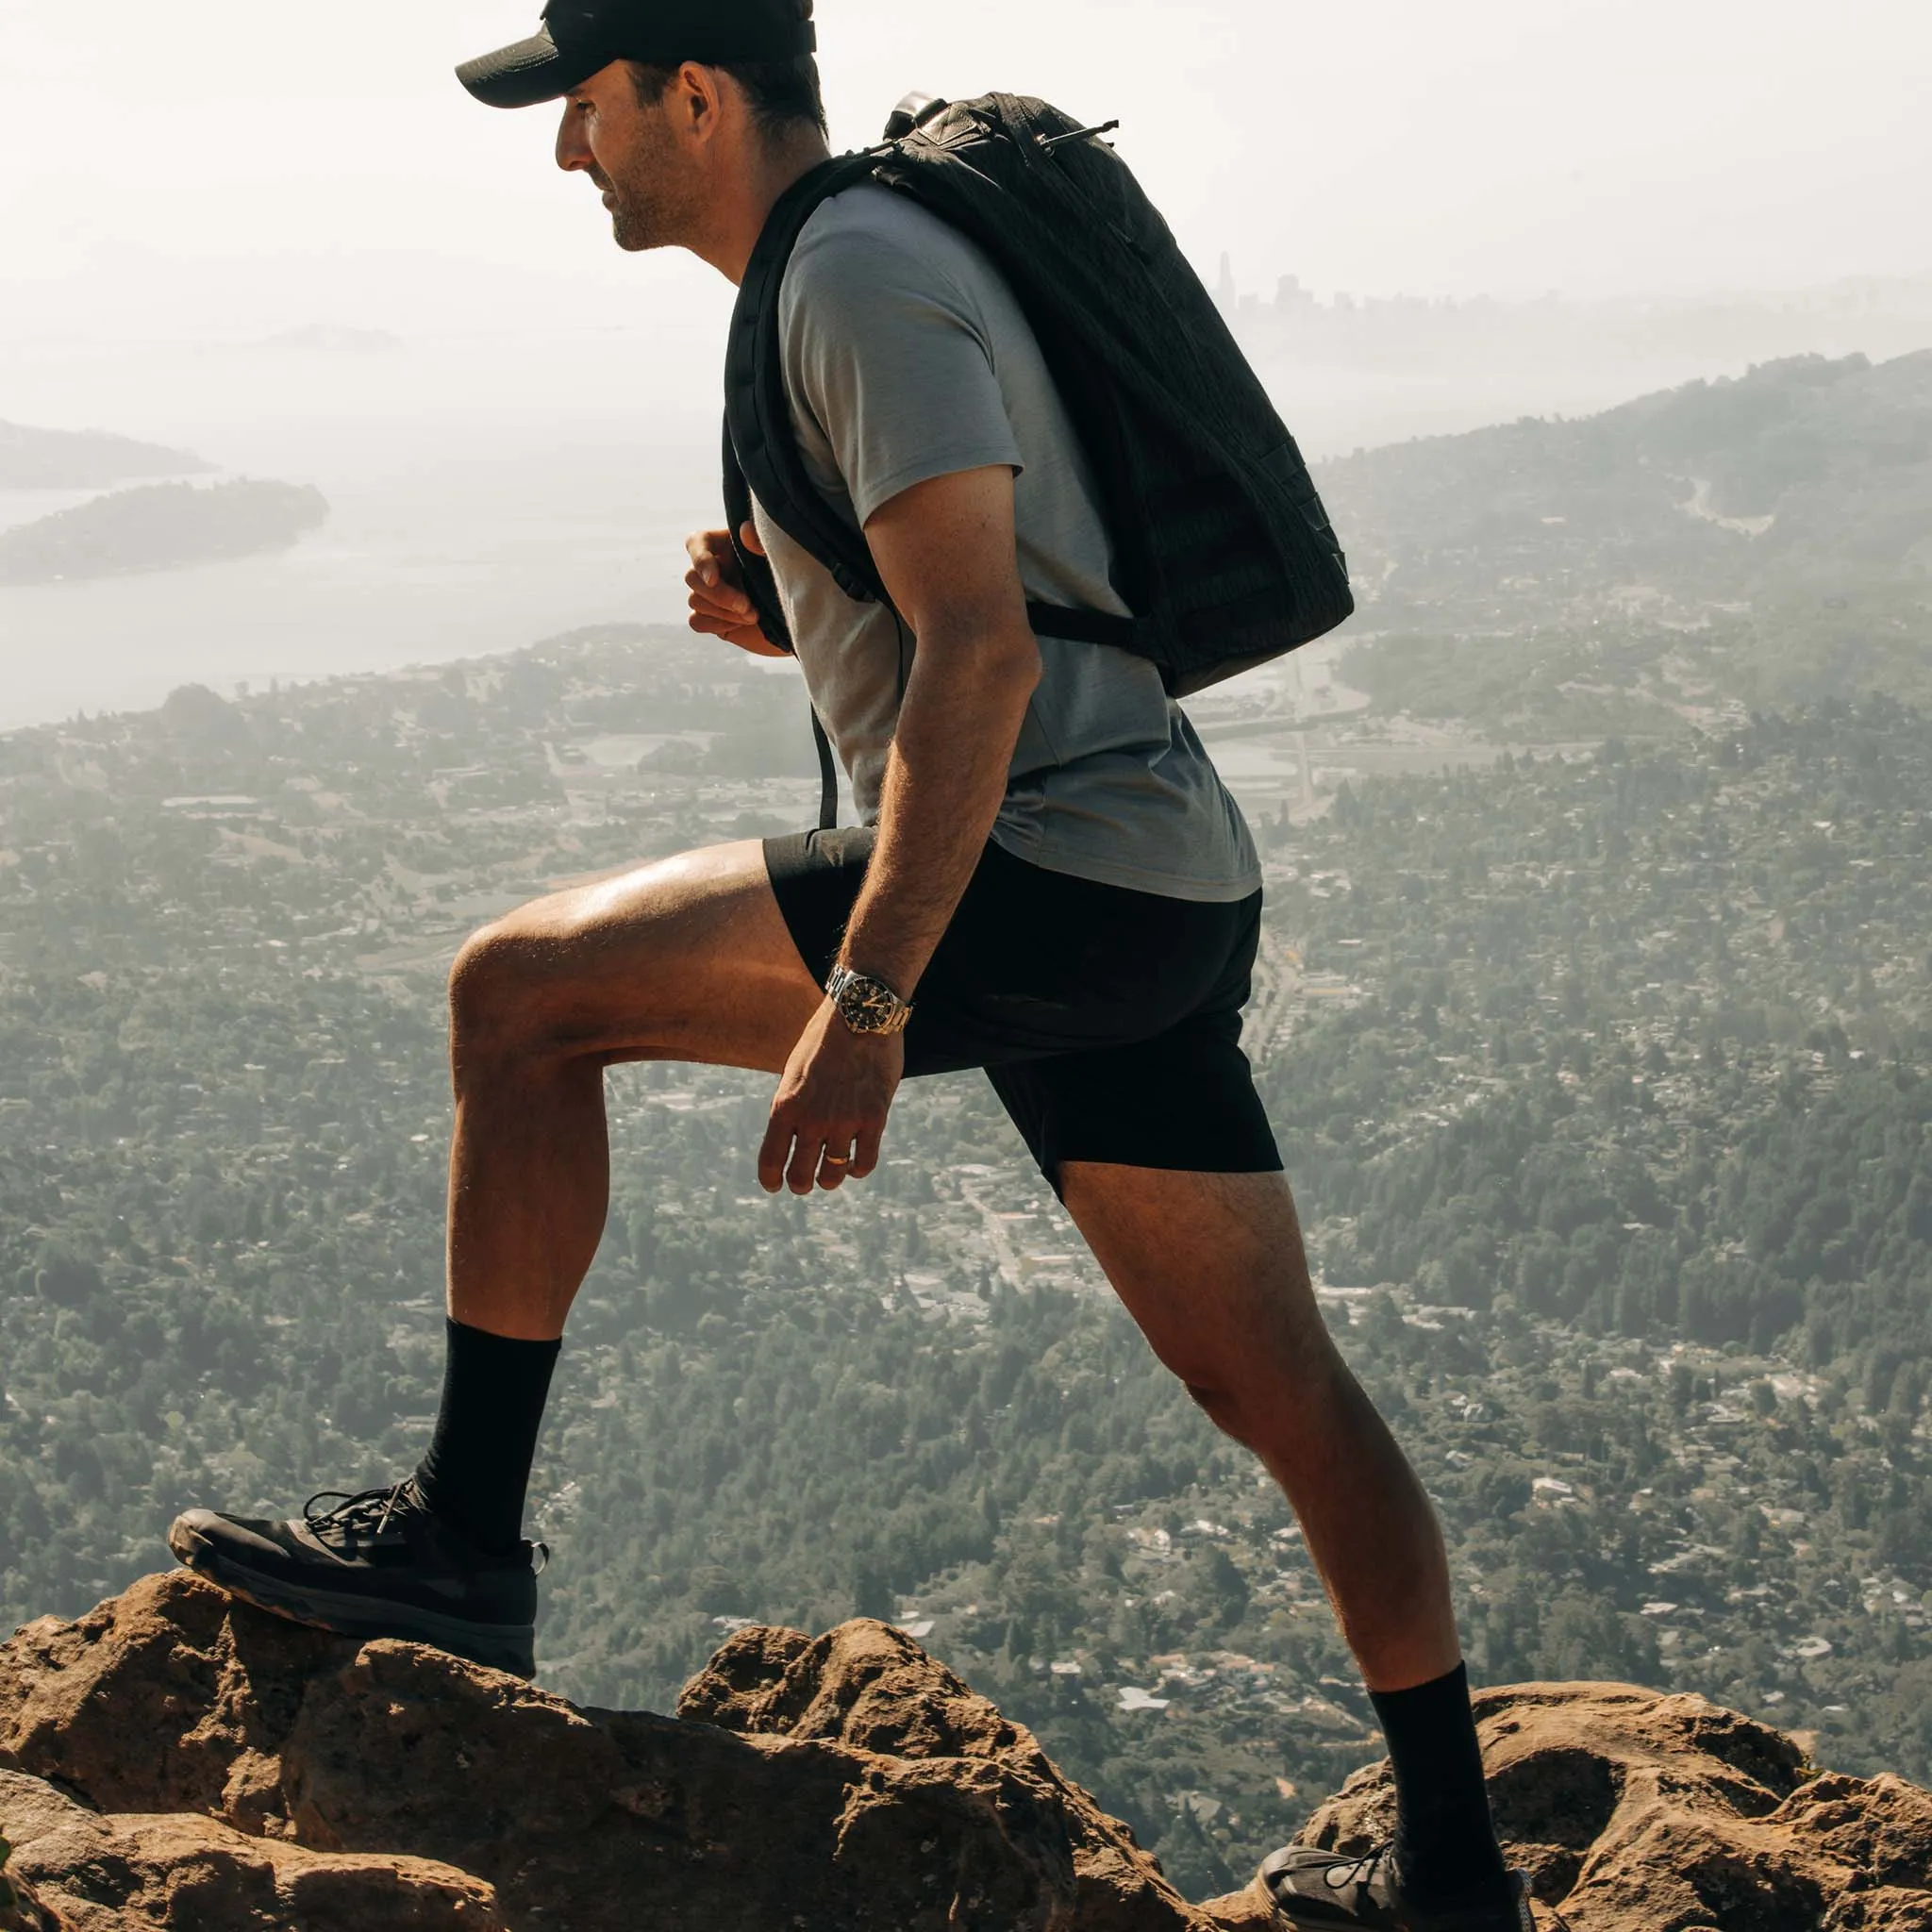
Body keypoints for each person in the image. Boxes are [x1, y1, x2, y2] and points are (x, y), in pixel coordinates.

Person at [168, 4, 1533, 1925]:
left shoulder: (854, 275)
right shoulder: (859, 264)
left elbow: (979, 653)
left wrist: (866, 1006)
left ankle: (464, 1539)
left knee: (515, 996)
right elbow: (987, 611)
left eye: (586, 107)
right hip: (1149, 879)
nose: (570, 153)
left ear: (694, 96)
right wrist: (791, 627)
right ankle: (1457, 1873)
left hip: (1040, 872)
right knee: (1275, 1384)